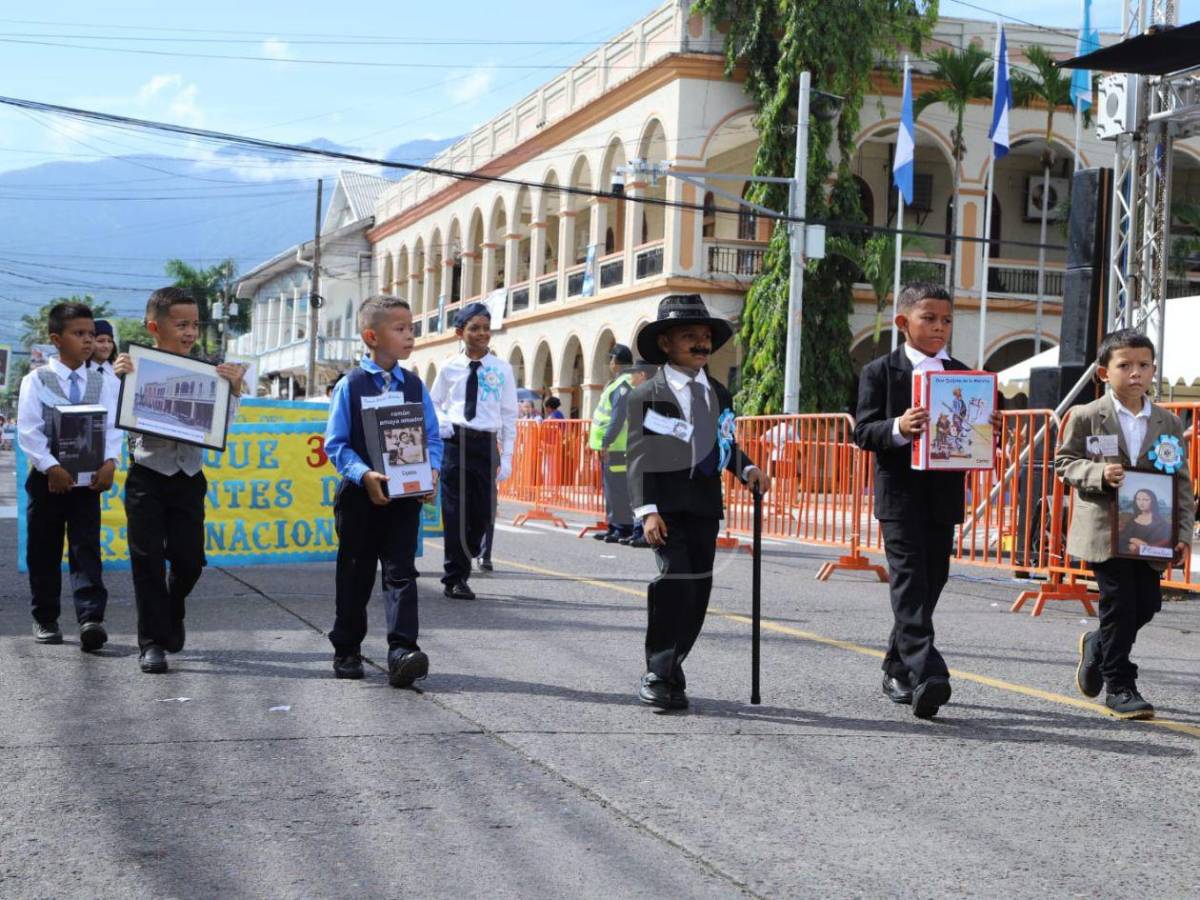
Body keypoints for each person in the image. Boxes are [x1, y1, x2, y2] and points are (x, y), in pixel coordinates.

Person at [853, 282, 1001, 720]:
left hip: (943, 493)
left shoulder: (963, 373)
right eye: (929, 318)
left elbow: (980, 429)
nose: (940, 327)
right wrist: (899, 426)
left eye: (947, 320)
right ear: (903, 322)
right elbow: (864, 432)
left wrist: (987, 421)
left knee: (933, 579)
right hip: (899, 494)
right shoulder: (880, 371)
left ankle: (896, 665)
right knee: (908, 579)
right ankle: (928, 670)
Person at [627, 294, 769, 710]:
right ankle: (657, 672)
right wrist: (646, 510)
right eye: (690, 336)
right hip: (666, 507)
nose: (701, 344)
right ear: (667, 343)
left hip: (705, 505)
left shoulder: (719, 394)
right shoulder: (647, 396)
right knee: (674, 584)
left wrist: (747, 469)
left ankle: (673, 667)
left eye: (705, 336)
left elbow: (725, 443)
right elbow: (637, 456)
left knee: (698, 591)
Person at [1057, 329, 1195, 719]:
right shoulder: (1086, 416)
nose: (1135, 373)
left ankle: (1097, 645)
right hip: (1104, 528)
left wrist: (1182, 534)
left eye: (1144, 365)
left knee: (1147, 605)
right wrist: (1099, 474)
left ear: (1153, 370)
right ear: (1104, 372)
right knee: (1119, 603)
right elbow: (1064, 463)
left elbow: (1181, 482)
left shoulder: (1167, 421)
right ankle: (1120, 684)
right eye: (1125, 365)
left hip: (1151, 532)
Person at [114, 287, 246, 674]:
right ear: (154, 327)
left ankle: (174, 606)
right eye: (181, 324)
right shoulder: (132, 367)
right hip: (147, 476)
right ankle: (151, 642)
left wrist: (233, 390)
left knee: (189, 562)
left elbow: (222, 426)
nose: (190, 332)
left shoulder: (211, 373)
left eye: (195, 324)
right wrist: (120, 379)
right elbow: (114, 417)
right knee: (146, 561)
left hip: (188, 476)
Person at [323, 295, 443, 686]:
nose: (410, 335)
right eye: (400, 328)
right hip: (361, 497)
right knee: (355, 574)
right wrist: (364, 476)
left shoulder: (414, 385)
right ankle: (347, 649)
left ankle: (402, 651)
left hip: (403, 499)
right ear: (371, 336)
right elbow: (336, 445)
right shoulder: (351, 385)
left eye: (411, 328)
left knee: (401, 574)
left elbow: (432, 436)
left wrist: (432, 472)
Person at [17, 301, 121, 650]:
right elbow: (29, 432)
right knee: (44, 550)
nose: (88, 341)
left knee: (86, 548)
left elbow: (113, 426)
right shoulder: (36, 380)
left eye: (92, 334)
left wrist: (111, 462)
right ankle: (45, 617)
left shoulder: (101, 380)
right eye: (79, 334)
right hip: (49, 481)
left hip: (88, 481)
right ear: (56, 339)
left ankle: (91, 617)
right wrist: (52, 467)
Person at [430, 301, 517, 600]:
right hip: (455, 441)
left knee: (481, 514)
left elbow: (509, 415)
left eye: (486, 328)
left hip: (485, 443)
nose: (482, 334)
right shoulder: (449, 367)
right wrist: (441, 422)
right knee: (454, 513)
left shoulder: (501, 369)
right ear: (460, 332)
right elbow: (435, 402)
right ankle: (455, 577)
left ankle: (466, 556)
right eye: (474, 328)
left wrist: (506, 457)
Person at [588, 344, 637, 544]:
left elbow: (617, 417)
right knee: (611, 488)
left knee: (617, 489)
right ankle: (614, 526)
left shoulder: (623, 385)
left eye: (611, 359)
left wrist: (606, 442)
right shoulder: (618, 383)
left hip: (617, 446)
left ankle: (622, 528)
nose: (609, 363)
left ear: (616, 361)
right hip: (613, 446)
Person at [1117, 488, 1172, 556]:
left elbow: (1162, 550)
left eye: (1145, 500)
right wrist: (1131, 541)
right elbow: (1122, 539)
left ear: (1153, 501)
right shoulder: (1132, 520)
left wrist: (1141, 548)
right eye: (1138, 499)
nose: (1141, 503)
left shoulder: (1161, 524)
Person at [89, 319, 119, 383]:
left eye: (110, 341)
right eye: (100, 341)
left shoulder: (118, 372)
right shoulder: (78, 372)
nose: (106, 346)